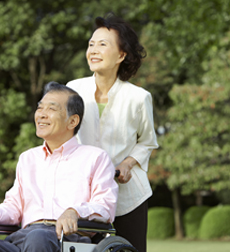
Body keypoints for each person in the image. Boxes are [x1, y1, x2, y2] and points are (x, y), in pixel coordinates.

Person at [0, 82, 118, 252]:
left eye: (51, 108)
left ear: (72, 121)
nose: (41, 114)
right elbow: (13, 207)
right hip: (22, 239)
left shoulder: (95, 157)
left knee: (38, 237)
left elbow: (105, 206)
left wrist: (74, 211)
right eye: (40, 108)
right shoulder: (28, 158)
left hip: (66, 240)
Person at [67, 15, 158, 252]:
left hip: (128, 198)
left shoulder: (139, 98)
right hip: (84, 198)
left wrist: (128, 163)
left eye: (103, 44)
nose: (94, 50)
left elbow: (147, 142)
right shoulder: (73, 90)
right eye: (91, 44)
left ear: (121, 55)